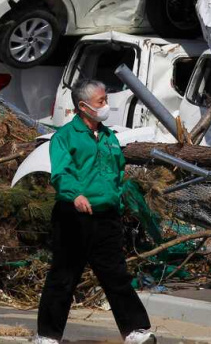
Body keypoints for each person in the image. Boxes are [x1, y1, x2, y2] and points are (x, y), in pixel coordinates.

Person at [34, 79, 156, 344]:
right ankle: (47, 335)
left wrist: (119, 204)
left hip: (107, 216)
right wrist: (75, 194)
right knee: (64, 276)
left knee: (116, 275)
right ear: (83, 106)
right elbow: (61, 173)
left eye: (105, 100)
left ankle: (135, 331)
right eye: (101, 101)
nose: (106, 106)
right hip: (73, 217)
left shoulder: (110, 137)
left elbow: (117, 173)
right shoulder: (65, 137)